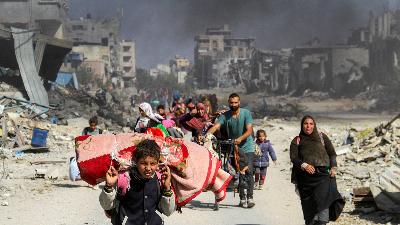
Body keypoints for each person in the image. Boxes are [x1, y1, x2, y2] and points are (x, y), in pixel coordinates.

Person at [99, 139, 175, 225]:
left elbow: (168, 212)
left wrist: (167, 188)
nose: (148, 168)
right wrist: (109, 186)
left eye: (153, 163)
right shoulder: (125, 179)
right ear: (136, 161)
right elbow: (106, 205)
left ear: (158, 163)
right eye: (143, 163)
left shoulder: (160, 180)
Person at [290, 115, 345, 225]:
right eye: (306, 123)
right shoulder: (297, 140)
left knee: (323, 202)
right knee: (310, 208)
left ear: (314, 125)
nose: (308, 126)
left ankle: (322, 223)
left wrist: (334, 167)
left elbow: (332, 154)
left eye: (311, 124)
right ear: (302, 125)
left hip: (323, 176)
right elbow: (294, 158)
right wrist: (304, 165)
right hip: (305, 180)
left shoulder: (322, 137)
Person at [207, 93, 255, 208]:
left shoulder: (246, 113)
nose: (233, 105)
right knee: (240, 172)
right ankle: (242, 198)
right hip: (234, 148)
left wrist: (240, 138)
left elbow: (249, 130)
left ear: (239, 102)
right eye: (231, 103)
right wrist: (207, 135)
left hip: (247, 147)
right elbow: (216, 126)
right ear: (229, 103)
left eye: (236, 102)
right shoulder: (225, 116)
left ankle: (250, 197)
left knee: (248, 172)